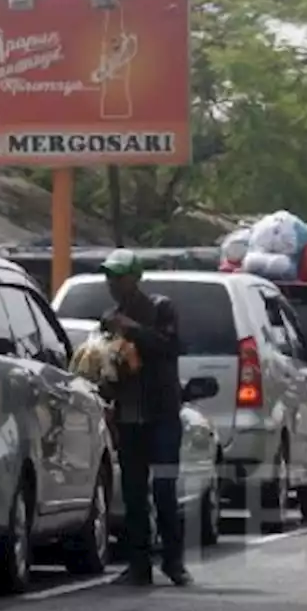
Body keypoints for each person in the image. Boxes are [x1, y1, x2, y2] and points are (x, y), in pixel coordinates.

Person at [99, 249, 191, 587]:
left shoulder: (161, 308)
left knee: (164, 488)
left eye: (119, 276)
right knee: (134, 493)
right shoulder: (110, 318)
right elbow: (108, 363)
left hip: (162, 416)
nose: (113, 283)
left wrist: (133, 329)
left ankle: (174, 561)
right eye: (110, 276)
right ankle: (138, 565)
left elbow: (171, 346)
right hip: (129, 417)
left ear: (136, 278)